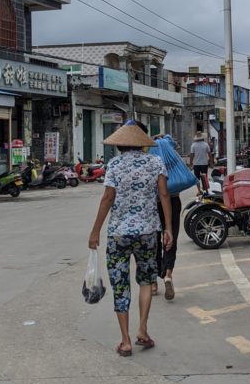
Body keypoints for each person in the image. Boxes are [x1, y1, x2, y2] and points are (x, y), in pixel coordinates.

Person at [88, 121, 172, 356]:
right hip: (148, 233)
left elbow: (107, 198)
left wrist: (95, 231)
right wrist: (168, 228)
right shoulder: (155, 162)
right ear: (141, 143)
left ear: (119, 145)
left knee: (120, 285)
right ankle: (142, 329)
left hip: (119, 234)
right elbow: (164, 194)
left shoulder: (114, 165)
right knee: (146, 281)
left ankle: (125, 341)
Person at [148, 134, 181, 301]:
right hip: (173, 200)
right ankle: (168, 274)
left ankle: (153, 282)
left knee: (154, 240)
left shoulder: (150, 158)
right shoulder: (171, 153)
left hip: (154, 202)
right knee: (170, 238)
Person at [189, 126, 212, 195]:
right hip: (204, 163)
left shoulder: (193, 145)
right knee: (204, 177)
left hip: (196, 164)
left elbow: (192, 155)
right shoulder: (206, 144)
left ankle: (199, 191)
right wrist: (211, 162)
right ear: (202, 138)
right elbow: (209, 154)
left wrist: (190, 163)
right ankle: (206, 190)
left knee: (197, 178)